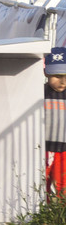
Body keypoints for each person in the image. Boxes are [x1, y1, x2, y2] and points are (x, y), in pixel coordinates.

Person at [46, 48, 66, 198]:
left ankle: (60, 213)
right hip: (45, 147)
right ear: (46, 73)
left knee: (62, 183)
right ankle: (39, 212)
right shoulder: (40, 93)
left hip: (64, 149)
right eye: (58, 76)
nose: (63, 81)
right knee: (42, 181)